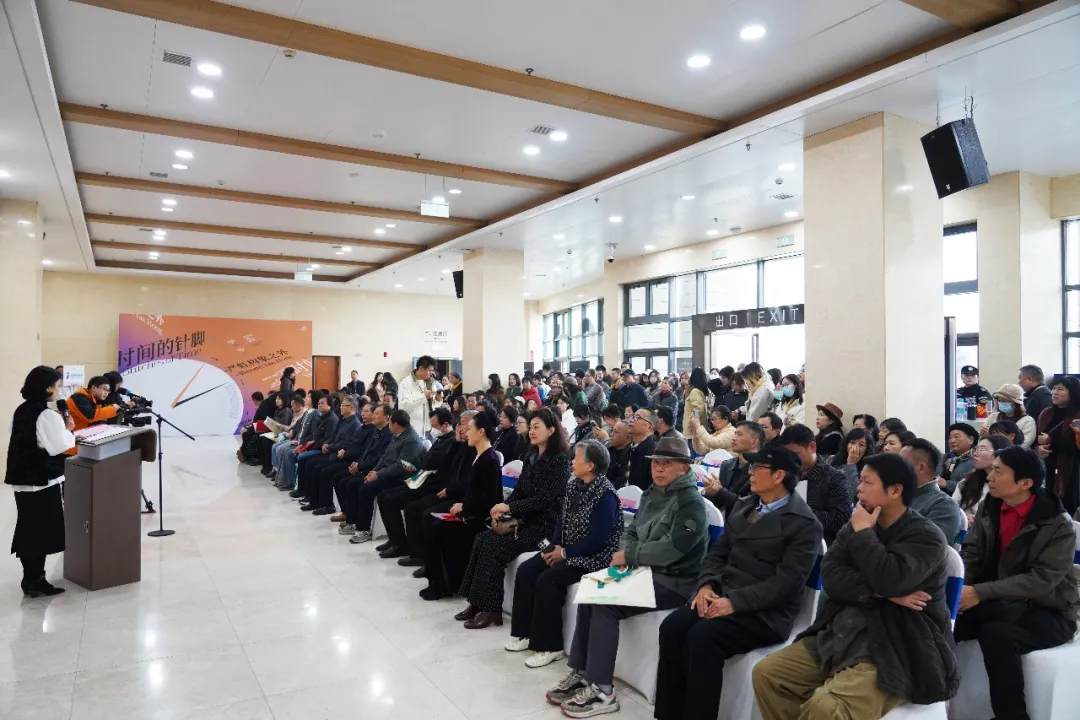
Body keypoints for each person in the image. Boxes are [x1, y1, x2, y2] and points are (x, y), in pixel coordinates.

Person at [752, 453, 959, 720]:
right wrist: (881, 592)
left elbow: (889, 578)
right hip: (843, 631)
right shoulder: (858, 523)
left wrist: (864, 534)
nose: (858, 488)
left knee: (828, 708)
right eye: (860, 480)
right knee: (769, 674)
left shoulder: (926, 536)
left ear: (895, 491)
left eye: (867, 482)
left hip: (899, 645)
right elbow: (831, 576)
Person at [656, 445, 824, 720]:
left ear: (779, 475)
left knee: (703, 638)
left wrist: (734, 602)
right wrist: (707, 586)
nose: (750, 472)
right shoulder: (746, 505)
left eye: (758, 468)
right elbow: (718, 553)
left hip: (765, 612)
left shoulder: (804, 524)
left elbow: (787, 583)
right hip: (723, 593)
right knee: (672, 627)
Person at [545, 437, 708, 717]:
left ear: (684, 468)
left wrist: (630, 556)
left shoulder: (691, 502)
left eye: (667, 463)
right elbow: (630, 532)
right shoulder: (651, 493)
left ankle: (603, 690)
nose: (659, 469)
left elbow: (672, 550)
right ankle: (583, 672)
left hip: (673, 581)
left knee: (606, 604)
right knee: (591, 587)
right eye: (656, 463)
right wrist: (629, 555)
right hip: (641, 570)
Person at [954, 445, 1080, 720]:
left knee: (997, 635)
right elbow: (973, 553)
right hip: (999, 601)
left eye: (998, 471)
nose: (989, 477)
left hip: (1048, 610)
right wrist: (960, 590)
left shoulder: (1057, 523)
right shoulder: (991, 506)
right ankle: (933, 705)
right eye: (991, 469)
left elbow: (1042, 580)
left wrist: (979, 593)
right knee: (942, 621)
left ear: (1025, 483)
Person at [506, 439, 622, 668]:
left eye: (576, 458)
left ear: (590, 465)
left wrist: (566, 553)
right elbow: (562, 520)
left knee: (548, 580)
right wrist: (554, 547)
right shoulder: (573, 485)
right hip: (566, 549)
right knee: (527, 570)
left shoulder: (606, 494)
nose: (572, 462)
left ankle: (551, 646)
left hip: (593, 558)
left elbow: (598, 540)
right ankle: (524, 633)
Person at [455, 408, 571, 628]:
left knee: (494, 547)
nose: (532, 431)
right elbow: (519, 490)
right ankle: (476, 602)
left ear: (551, 430)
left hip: (544, 528)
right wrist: (503, 510)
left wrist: (510, 506)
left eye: (537, 427)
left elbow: (544, 500)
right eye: (531, 427)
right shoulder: (530, 456)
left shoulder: (560, 462)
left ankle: (492, 609)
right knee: (481, 539)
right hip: (523, 521)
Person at [5, 366, 76, 597]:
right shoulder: (47, 415)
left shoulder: (20, 410)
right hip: (42, 480)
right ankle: (37, 579)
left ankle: (30, 579)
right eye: (57, 386)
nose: (59, 390)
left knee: (28, 529)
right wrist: (69, 430)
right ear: (47, 388)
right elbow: (58, 446)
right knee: (42, 531)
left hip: (22, 479)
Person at [420, 409, 503, 600]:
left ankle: (444, 585)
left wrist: (464, 507)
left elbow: (489, 499)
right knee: (434, 525)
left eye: (470, 428)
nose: (467, 432)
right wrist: (462, 505)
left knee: (438, 529)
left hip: (479, 517)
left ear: (481, 432)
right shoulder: (478, 455)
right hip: (470, 510)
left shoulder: (489, 459)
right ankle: (440, 581)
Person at [374, 407, 459, 560]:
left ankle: (407, 547)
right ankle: (395, 539)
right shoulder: (441, 440)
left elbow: (431, 463)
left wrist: (420, 466)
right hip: (422, 480)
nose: (432, 430)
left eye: (435, 426)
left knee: (395, 502)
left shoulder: (451, 442)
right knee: (383, 496)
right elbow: (425, 462)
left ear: (445, 425)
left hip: (433, 486)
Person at [402, 411, 476, 572]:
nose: (460, 428)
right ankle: (419, 555)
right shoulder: (462, 445)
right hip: (447, 490)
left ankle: (431, 563)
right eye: (459, 424)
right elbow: (447, 465)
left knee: (427, 515)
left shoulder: (477, 450)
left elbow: (468, 482)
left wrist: (449, 491)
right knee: (413, 508)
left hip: (460, 498)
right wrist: (457, 442)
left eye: (464, 424)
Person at [344, 408, 425, 540]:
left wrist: (378, 475)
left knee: (366, 489)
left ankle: (364, 529)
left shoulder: (411, 440)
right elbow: (384, 457)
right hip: (387, 472)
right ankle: (354, 522)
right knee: (353, 484)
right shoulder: (398, 435)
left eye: (390, 422)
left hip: (402, 477)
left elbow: (401, 466)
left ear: (395, 424)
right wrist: (374, 471)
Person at [780, 425, 855, 545]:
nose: (790, 460)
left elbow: (841, 519)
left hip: (820, 544)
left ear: (812, 447)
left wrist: (798, 512)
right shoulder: (787, 474)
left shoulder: (835, 478)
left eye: (795, 454)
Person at [296, 394, 363, 508]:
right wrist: (327, 444)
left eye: (343, 405)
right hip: (332, 451)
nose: (340, 407)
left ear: (352, 408)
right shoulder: (343, 420)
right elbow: (334, 436)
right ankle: (313, 500)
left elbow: (346, 443)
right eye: (341, 405)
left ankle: (326, 505)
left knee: (321, 469)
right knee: (310, 464)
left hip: (340, 456)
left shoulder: (355, 424)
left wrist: (329, 447)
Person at [901, 438, 965, 545]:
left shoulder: (943, 506)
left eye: (901, 463)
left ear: (921, 467)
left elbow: (926, 547)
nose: (895, 468)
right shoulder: (897, 496)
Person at [1034, 375, 1080, 514]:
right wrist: (1038, 448)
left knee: (1067, 507)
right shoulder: (1046, 413)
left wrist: (1050, 441)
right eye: (1054, 388)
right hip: (1047, 466)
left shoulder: (1077, 416)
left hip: (1071, 469)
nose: (1054, 392)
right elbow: (1037, 439)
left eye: (1060, 389)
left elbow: (1075, 446)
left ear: (1072, 393)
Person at [703, 421, 765, 514]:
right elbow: (718, 505)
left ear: (753, 441)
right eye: (735, 434)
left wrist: (720, 491)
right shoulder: (727, 465)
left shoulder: (762, 469)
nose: (733, 438)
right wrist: (711, 493)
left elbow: (750, 506)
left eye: (739, 434)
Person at [953, 435, 1012, 527]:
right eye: (976, 449)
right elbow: (952, 510)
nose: (975, 454)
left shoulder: (1011, 484)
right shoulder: (966, 482)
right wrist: (963, 519)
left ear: (999, 452)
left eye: (982, 449)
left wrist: (982, 522)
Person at [267, 394, 313, 480]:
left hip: (297, 438)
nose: (291, 408)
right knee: (274, 445)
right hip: (293, 435)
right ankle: (276, 469)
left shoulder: (306, 413)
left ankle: (284, 476)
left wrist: (289, 430)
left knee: (281, 449)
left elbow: (299, 429)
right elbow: (295, 427)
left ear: (298, 405)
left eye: (292, 405)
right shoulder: (297, 413)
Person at [829, 427, 876, 494]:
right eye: (852, 442)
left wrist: (851, 464)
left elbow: (857, 492)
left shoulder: (869, 468)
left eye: (861, 445)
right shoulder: (832, 459)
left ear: (867, 448)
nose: (855, 447)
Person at [625, 408, 659, 490]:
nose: (631, 420)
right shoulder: (628, 448)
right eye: (633, 417)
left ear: (649, 427)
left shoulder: (653, 453)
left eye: (637, 417)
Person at [942, 422, 978, 495]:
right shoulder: (943, 458)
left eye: (956, 437)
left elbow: (974, 485)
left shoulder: (977, 460)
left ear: (971, 440)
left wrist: (947, 484)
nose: (952, 441)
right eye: (950, 438)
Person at [681, 368, 708, 436]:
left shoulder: (695, 391)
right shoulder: (699, 391)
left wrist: (693, 421)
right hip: (696, 429)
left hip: (693, 430)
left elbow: (697, 409)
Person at [605, 421, 632, 489]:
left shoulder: (631, 455)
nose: (611, 434)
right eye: (612, 431)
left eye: (616, 432)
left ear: (627, 437)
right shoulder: (607, 451)